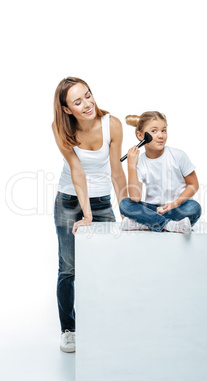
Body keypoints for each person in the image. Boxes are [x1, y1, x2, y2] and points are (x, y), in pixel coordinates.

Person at [52, 77, 127, 352]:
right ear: (67, 109)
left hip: (103, 201)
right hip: (69, 201)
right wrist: (86, 215)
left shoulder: (112, 125)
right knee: (69, 268)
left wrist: (126, 211)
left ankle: (103, 323)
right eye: (77, 101)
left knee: (107, 264)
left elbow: (117, 173)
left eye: (88, 95)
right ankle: (69, 329)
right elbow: (77, 172)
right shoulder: (61, 129)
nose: (87, 104)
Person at [119, 111, 201, 233]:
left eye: (163, 130)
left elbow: (193, 185)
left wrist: (175, 203)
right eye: (154, 131)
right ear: (141, 136)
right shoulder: (140, 162)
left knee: (194, 207)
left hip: (177, 207)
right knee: (125, 204)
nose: (161, 135)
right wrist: (131, 166)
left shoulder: (178, 155)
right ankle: (170, 225)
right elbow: (135, 198)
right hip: (152, 210)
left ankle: (146, 223)